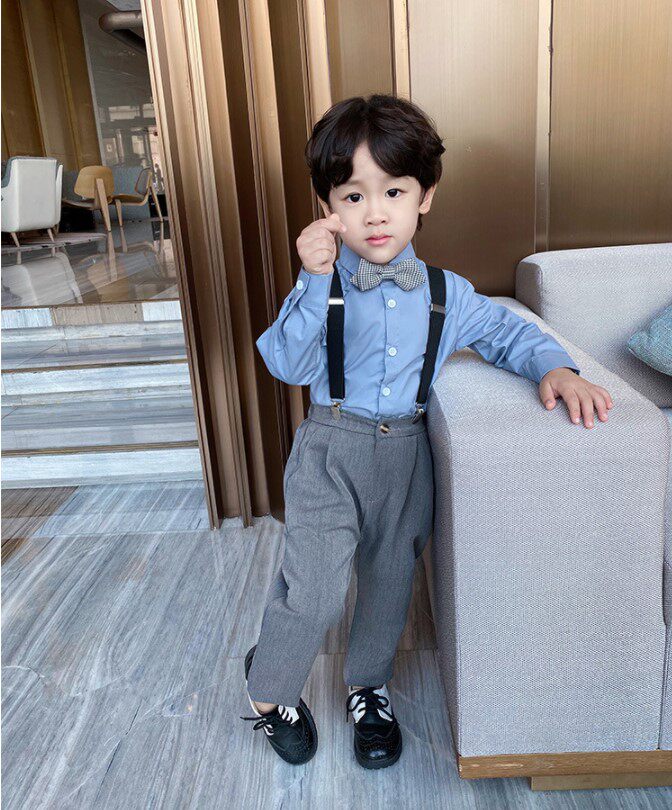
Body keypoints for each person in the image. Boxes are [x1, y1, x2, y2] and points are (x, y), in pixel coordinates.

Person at [241, 94, 613, 769]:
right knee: (315, 587)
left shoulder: (448, 293)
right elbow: (286, 363)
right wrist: (312, 279)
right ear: (328, 206)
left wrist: (556, 367)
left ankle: (368, 687)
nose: (375, 213)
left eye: (393, 191)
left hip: (407, 456)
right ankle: (269, 690)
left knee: (389, 582)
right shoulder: (320, 285)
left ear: (425, 196)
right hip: (329, 449)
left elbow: (507, 334)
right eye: (353, 196)